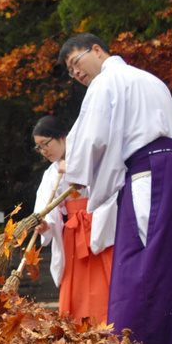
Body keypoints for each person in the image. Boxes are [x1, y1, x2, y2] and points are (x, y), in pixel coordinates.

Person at [60, 32, 172, 344]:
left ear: (97, 50)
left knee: (140, 262)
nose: (76, 74)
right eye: (71, 71)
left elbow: (92, 138)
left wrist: (77, 174)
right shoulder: (153, 81)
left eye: (76, 63)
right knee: (169, 259)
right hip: (170, 169)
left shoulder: (107, 82)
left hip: (147, 175)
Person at [32, 115, 113, 324]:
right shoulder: (51, 174)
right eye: (39, 147)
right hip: (73, 233)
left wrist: (74, 169)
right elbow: (47, 205)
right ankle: (79, 326)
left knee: (106, 276)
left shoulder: (90, 158)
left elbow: (107, 181)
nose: (44, 151)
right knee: (76, 282)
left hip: (100, 224)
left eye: (46, 144)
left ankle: (109, 322)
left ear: (63, 137)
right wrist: (45, 223)